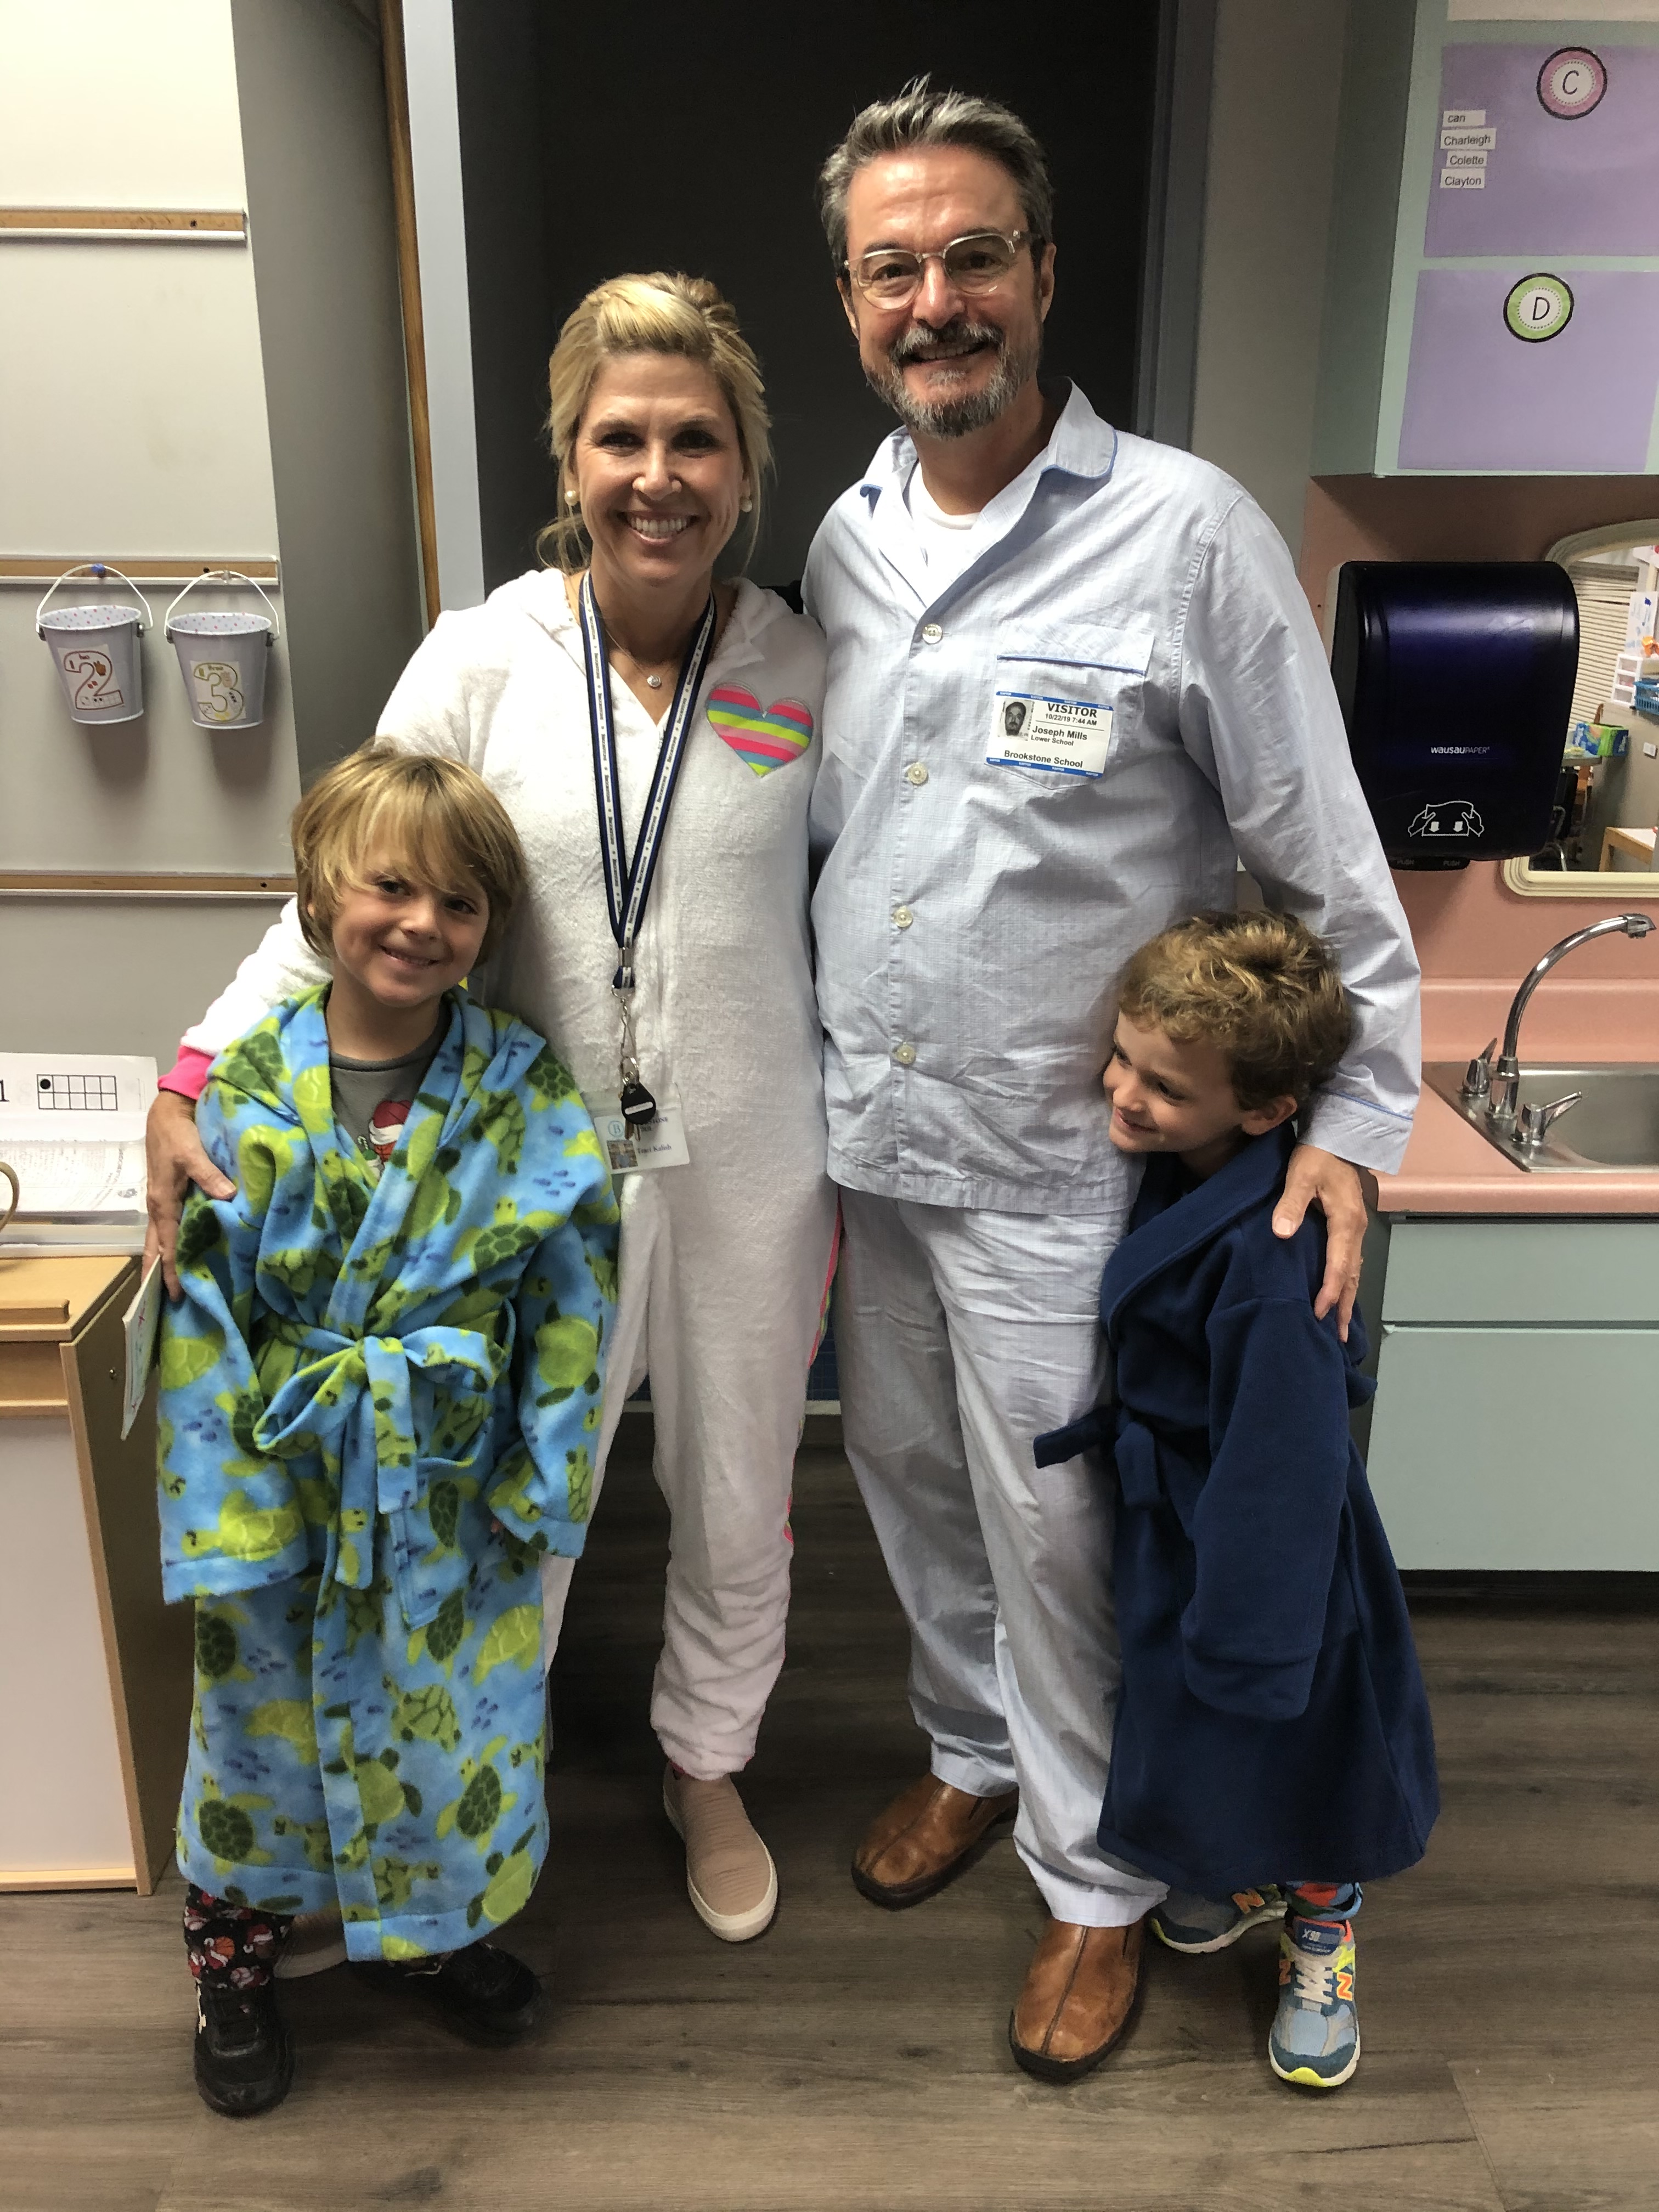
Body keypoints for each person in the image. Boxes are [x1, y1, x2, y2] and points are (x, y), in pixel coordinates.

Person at [805, 82, 1421, 2079]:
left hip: (1065, 1167)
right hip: (874, 1139)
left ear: (1044, 275)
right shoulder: (846, 541)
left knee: (1064, 1540)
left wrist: (1351, 1129)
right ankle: (971, 1751)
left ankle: (1092, 1880)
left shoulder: (1185, 534)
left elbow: (1329, 869)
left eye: (974, 255)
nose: (937, 301)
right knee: (907, 1483)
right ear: (851, 304)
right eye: (893, 269)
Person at [146, 273, 837, 1951]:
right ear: (570, 457)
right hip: (525, 1178)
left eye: (696, 440)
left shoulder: (806, 662)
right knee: (513, 1496)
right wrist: (194, 1070)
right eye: (622, 438)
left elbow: (886, 905)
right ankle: (466, 1786)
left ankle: (708, 1765)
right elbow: (349, 889)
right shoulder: (484, 655)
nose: (657, 476)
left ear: (746, 467)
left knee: (738, 1493)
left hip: (757, 1168)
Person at [161, 747, 619, 2115]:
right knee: (255, 1737)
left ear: (490, 929)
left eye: (461, 903)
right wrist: (231, 1513)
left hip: (448, 1485)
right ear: (319, 895)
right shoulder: (247, 1087)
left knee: (449, 1723)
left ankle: (431, 1939)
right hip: (287, 1472)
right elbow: (200, 1313)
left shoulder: (523, 1087)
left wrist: (543, 1476)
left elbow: (572, 1294)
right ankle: (235, 1974)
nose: (423, 923)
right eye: (392, 888)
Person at [1032, 911, 1437, 2091]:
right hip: (1186, 1517)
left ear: (1265, 1112)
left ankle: (1323, 1925)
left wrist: (1258, 1637)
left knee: (1294, 1737)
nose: (1123, 1093)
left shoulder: (1271, 1254)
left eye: (1164, 1086)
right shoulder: (1194, 1171)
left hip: (1271, 1548)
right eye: (1123, 1059)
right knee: (1202, 1729)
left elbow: (1287, 1460)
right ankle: (1246, 1871)